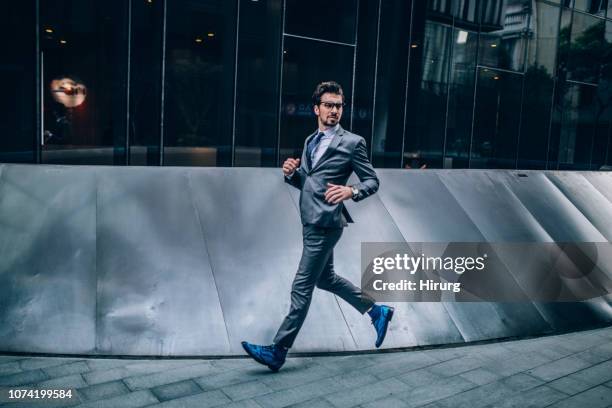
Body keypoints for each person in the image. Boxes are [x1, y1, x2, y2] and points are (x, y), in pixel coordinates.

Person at [241, 81, 394, 371]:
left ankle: (278, 350)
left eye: (338, 106)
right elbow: (310, 184)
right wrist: (291, 174)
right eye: (328, 105)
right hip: (310, 220)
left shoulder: (352, 142)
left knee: (301, 286)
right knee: (326, 279)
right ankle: (377, 310)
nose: (334, 110)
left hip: (326, 223)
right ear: (317, 109)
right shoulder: (311, 140)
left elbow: (372, 181)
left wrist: (352, 191)